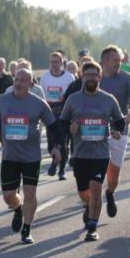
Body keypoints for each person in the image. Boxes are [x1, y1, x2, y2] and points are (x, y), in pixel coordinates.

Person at [0, 68, 63, 244]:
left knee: (29, 192)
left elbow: (54, 127)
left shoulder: (39, 103)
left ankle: (27, 229)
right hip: (9, 156)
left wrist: (56, 147)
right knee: (8, 196)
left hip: (31, 157)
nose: (18, 83)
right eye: (16, 79)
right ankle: (18, 208)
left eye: (22, 80)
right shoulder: (2, 101)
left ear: (31, 84)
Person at [59, 62, 126, 241]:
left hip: (100, 153)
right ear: (82, 77)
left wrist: (116, 130)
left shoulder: (108, 99)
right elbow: (62, 123)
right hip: (80, 154)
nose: (90, 78)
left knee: (96, 189)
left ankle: (92, 227)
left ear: (99, 78)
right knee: (84, 193)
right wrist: (70, 129)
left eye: (94, 75)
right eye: (87, 75)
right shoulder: (73, 99)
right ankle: (89, 206)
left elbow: (120, 121)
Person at [98, 45, 130, 219]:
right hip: (95, 129)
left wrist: (129, 117)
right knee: (94, 168)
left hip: (118, 130)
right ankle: (91, 205)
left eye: (119, 60)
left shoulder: (126, 78)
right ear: (104, 61)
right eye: (115, 60)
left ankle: (110, 193)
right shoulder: (95, 78)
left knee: (113, 173)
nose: (118, 63)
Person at [42, 50, 75, 179]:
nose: (54, 64)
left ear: (61, 63)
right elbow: (42, 95)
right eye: (52, 62)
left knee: (62, 141)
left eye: (56, 62)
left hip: (64, 111)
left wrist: (64, 97)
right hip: (50, 110)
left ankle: (61, 170)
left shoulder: (69, 77)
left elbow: (73, 95)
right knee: (51, 143)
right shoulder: (45, 77)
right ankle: (55, 160)